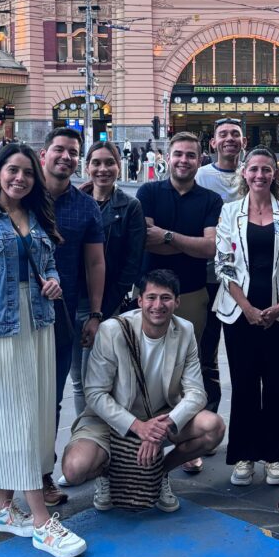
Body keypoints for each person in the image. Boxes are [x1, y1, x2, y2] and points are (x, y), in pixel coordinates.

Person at [0, 144, 86, 557]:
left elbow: (49, 266)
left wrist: (53, 283)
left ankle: (3, 508)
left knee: (37, 416)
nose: (20, 178)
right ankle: (41, 520)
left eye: (27, 172)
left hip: (39, 326)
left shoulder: (39, 218)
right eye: (12, 170)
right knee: (19, 419)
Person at [60, 269, 225, 513]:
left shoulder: (185, 330)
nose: (158, 305)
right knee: (74, 469)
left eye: (166, 298)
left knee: (214, 427)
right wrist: (138, 427)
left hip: (160, 414)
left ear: (177, 302)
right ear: (140, 300)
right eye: (151, 297)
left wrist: (162, 428)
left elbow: (196, 393)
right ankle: (107, 475)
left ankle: (157, 473)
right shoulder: (111, 331)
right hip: (110, 419)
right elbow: (95, 394)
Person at [214, 147, 279, 487]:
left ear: (275, 175)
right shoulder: (229, 212)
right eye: (254, 169)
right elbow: (223, 263)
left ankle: (274, 456)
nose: (260, 175)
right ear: (244, 173)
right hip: (240, 314)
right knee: (245, 384)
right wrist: (249, 309)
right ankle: (244, 456)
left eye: (266, 169)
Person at [137, 132, 223, 473]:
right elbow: (146, 240)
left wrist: (169, 237)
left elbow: (209, 249)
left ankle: (185, 441)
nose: (183, 160)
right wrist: (188, 243)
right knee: (147, 368)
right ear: (166, 157)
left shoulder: (210, 199)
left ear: (199, 159)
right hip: (150, 297)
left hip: (192, 293)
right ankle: (146, 439)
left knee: (191, 369)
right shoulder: (148, 192)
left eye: (190, 155)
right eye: (178, 154)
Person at [34, 128, 105, 506]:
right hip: (15, 315)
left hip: (63, 316)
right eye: (59, 149)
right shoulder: (22, 195)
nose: (66, 157)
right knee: (7, 398)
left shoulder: (85, 206)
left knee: (52, 398)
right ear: (43, 153)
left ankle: (43, 474)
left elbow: (95, 261)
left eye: (72, 152)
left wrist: (94, 313)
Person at [72, 140, 145, 416]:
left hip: (106, 304)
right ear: (87, 167)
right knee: (78, 380)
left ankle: (100, 441)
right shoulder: (73, 202)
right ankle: (83, 436)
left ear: (119, 166)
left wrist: (101, 310)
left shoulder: (130, 206)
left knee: (98, 380)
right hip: (71, 301)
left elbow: (131, 263)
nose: (103, 169)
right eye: (96, 163)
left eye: (109, 163)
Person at [195, 117, 247, 417]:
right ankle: (206, 418)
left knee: (243, 354)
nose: (229, 138)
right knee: (205, 352)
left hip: (247, 281)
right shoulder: (200, 176)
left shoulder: (253, 173)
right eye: (223, 134)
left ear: (244, 142)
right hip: (207, 280)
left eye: (235, 134)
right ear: (213, 143)